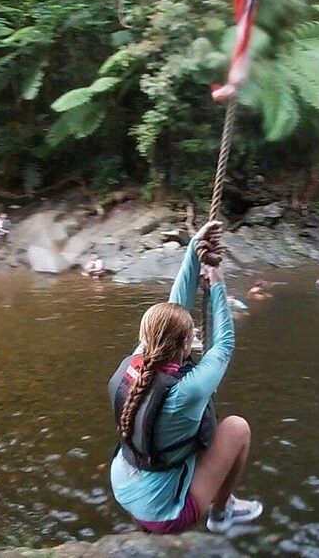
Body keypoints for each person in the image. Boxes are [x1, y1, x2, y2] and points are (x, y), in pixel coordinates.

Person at [108, 220, 262, 535]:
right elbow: (225, 344)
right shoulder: (186, 391)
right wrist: (218, 283)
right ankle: (222, 512)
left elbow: (174, 307)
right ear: (184, 344)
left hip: (123, 485)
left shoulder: (137, 360)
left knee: (183, 438)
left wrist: (194, 249)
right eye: (191, 334)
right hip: (162, 512)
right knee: (236, 429)